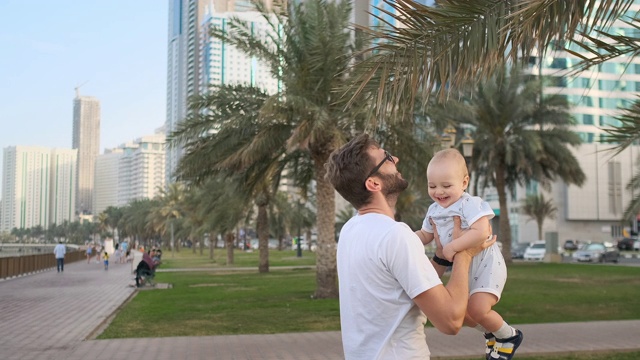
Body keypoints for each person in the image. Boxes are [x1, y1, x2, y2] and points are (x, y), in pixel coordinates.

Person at [325, 134, 496, 360]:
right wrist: (465, 252)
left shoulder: (350, 230)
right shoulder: (395, 235)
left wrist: (441, 256)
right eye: (386, 158)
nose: (395, 158)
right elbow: (451, 321)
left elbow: (407, 287)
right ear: (373, 183)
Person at [415, 148, 523, 360]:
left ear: (464, 183)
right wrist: (405, 240)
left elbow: (482, 231)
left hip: (486, 265)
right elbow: (425, 234)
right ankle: (490, 332)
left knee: (478, 308)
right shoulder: (434, 210)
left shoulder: (469, 204)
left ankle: (508, 336)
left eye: (446, 186)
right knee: (463, 313)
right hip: (465, 269)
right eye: (432, 186)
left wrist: (454, 248)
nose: (439, 192)